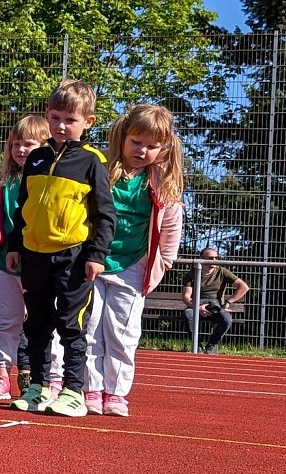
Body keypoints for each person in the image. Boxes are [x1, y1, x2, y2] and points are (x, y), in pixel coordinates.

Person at [6, 79, 116, 417]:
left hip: (73, 257)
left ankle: (73, 390)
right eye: (55, 118)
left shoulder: (92, 162)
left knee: (71, 324)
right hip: (33, 255)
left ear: (88, 122)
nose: (61, 126)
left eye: (69, 120)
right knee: (36, 323)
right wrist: (14, 245)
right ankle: (37, 387)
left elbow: (104, 214)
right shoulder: (36, 159)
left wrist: (96, 255)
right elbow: (21, 207)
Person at [84, 104, 184, 417]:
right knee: (89, 327)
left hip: (132, 267)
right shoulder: (102, 170)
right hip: (94, 261)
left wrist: (159, 267)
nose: (142, 150)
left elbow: (169, 234)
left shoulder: (162, 185)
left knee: (122, 333)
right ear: (123, 137)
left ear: (164, 147)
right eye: (136, 142)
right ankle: (90, 388)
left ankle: (116, 393)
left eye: (152, 146)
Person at [0, 115, 66, 401]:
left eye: (27, 144)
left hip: (40, 262)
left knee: (45, 321)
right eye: (15, 144)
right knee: (3, 320)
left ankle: (53, 379)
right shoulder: (4, 182)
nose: (19, 150)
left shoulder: (48, 181)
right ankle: (1, 376)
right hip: (6, 262)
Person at [183, 247, 250, 355]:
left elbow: (243, 287)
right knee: (188, 314)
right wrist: (197, 307)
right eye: (211, 258)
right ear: (202, 258)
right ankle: (197, 345)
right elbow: (186, 296)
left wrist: (228, 302)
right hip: (197, 304)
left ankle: (211, 346)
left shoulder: (222, 272)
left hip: (215, 305)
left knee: (226, 319)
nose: (215, 260)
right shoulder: (192, 273)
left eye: (216, 257)